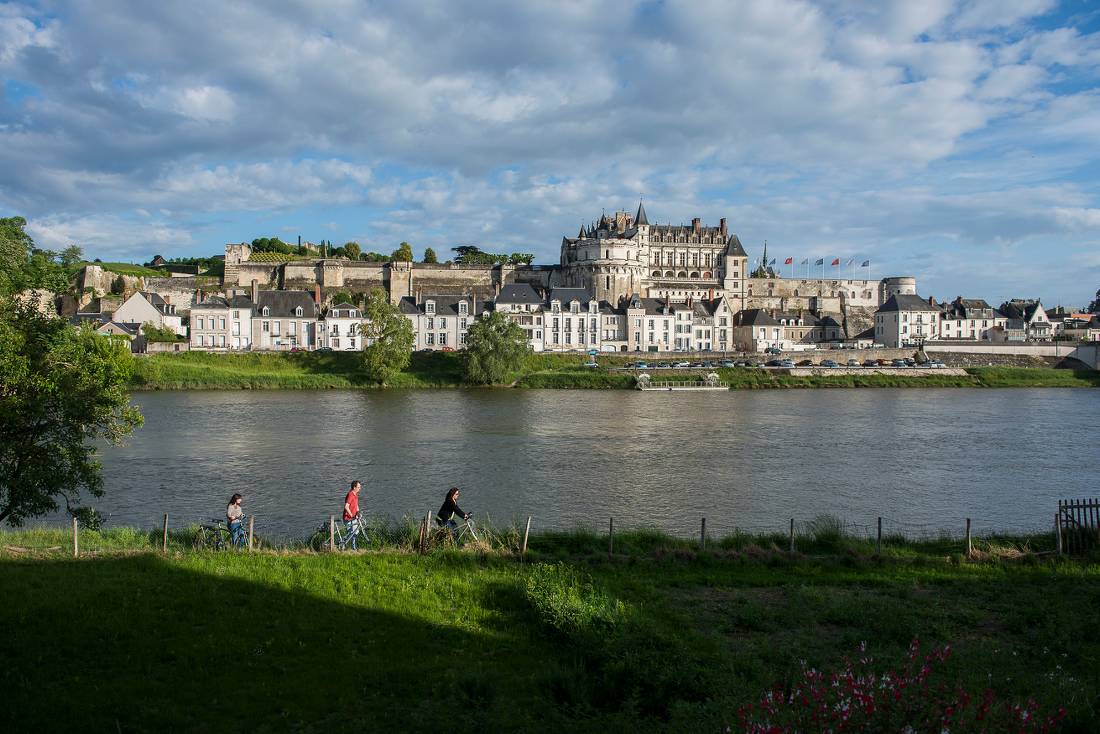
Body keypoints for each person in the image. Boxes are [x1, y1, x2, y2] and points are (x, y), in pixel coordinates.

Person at [340, 481, 362, 550]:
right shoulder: (350, 495)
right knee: (351, 533)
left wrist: (358, 512)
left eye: (360, 487)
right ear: (354, 487)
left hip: (353, 517)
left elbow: (356, 505)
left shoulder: (355, 494)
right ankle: (341, 543)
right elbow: (346, 506)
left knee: (355, 532)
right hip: (348, 518)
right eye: (358, 487)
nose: (360, 488)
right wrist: (352, 515)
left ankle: (353, 548)